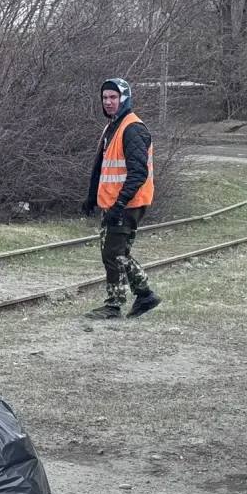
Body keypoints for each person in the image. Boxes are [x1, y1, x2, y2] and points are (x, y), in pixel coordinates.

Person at [81, 78, 161, 319]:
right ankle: (144, 295)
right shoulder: (112, 127)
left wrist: (119, 204)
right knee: (118, 252)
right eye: (105, 97)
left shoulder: (133, 128)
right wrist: (92, 197)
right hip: (117, 202)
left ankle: (114, 304)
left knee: (113, 253)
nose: (108, 102)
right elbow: (102, 167)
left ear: (124, 98)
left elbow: (138, 173)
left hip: (127, 203)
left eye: (113, 97)